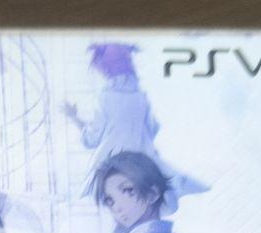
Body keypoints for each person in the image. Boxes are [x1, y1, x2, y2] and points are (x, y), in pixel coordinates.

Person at [62, 42, 206, 210]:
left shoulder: (106, 97)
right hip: (144, 158)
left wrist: (74, 117)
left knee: (107, 202)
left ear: (106, 70)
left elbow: (92, 138)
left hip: (114, 162)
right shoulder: (140, 96)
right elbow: (153, 128)